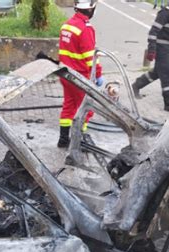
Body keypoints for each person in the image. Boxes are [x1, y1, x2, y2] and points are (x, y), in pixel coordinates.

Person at [57, 0, 103, 148]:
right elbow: (91, 58)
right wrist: (98, 75)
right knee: (86, 109)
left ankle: (63, 139)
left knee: (69, 106)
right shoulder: (85, 29)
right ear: (90, 10)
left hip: (65, 74)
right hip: (79, 77)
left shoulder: (67, 25)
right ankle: (79, 141)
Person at [132, 0, 169, 112]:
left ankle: (136, 85)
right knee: (168, 75)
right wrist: (152, 49)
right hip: (162, 49)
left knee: (158, 72)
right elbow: (153, 32)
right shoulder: (166, 12)